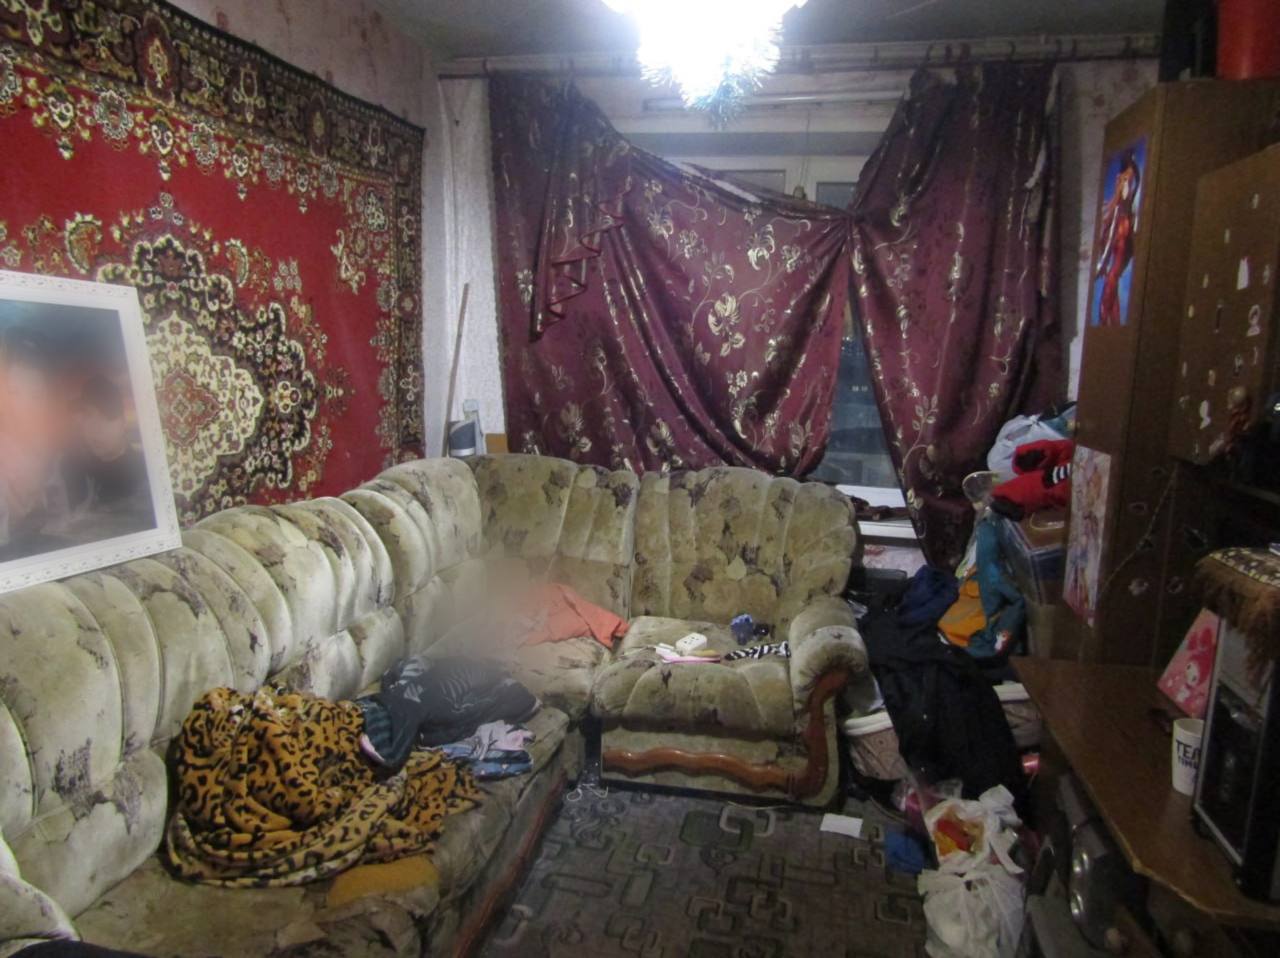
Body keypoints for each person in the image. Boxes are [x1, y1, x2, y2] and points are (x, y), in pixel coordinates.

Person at [0, 326, 72, 559]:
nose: (23, 408)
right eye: (14, 392)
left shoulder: (56, 449)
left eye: (36, 396)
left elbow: (61, 514)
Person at [1094, 150, 1140, 328]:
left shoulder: (1128, 177)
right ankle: (1107, 318)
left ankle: (1109, 319)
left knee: (1113, 274)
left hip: (1122, 227)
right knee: (1112, 274)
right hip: (1121, 227)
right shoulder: (1124, 178)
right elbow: (1117, 202)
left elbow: (1120, 202)